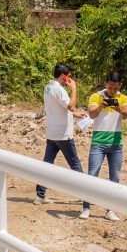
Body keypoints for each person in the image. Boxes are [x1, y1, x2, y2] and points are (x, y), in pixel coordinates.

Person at [80, 70, 127, 220]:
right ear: (106, 84)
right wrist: (100, 106)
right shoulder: (96, 96)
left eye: (115, 88)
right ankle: (85, 207)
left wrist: (119, 110)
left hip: (116, 143)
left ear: (120, 85)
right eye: (110, 87)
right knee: (92, 175)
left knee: (114, 178)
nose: (112, 91)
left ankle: (111, 210)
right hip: (98, 142)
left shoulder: (123, 98)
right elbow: (91, 114)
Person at [35, 63, 86, 207]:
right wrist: (74, 88)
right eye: (69, 76)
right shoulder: (61, 90)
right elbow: (70, 105)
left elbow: (59, 107)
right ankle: (86, 194)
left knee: (47, 165)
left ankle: (40, 195)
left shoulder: (48, 87)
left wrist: (74, 115)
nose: (70, 79)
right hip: (63, 134)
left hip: (52, 133)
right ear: (63, 76)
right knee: (75, 164)